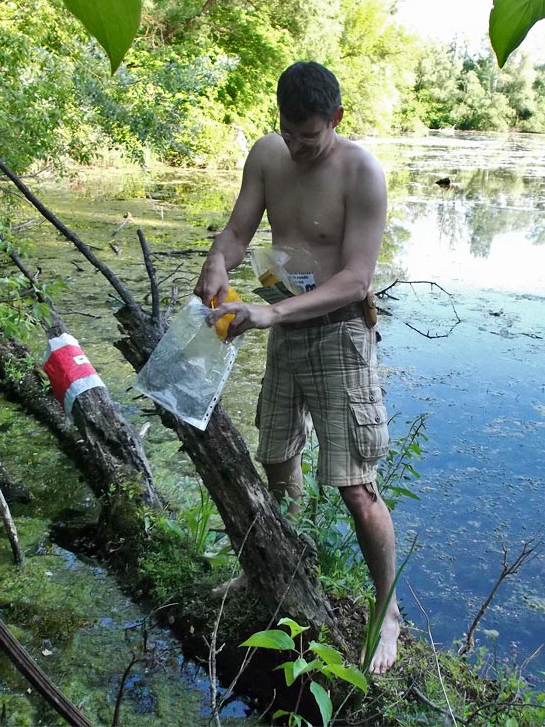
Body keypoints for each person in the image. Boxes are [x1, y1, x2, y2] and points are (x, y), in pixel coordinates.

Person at [194, 61, 400, 675]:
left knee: (356, 488)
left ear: (335, 118)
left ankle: (386, 610)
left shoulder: (362, 172)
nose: (298, 147)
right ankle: (285, 564)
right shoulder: (267, 154)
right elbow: (238, 230)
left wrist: (272, 313)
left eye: (309, 136)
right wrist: (216, 264)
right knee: (277, 456)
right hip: (281, 328)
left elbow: (356, 279)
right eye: (289, 133)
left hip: (339, 335)